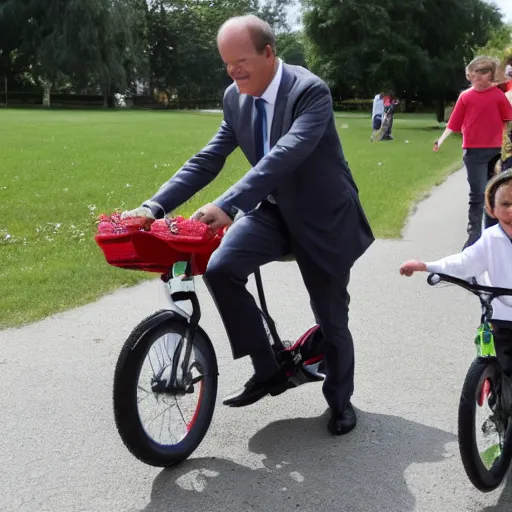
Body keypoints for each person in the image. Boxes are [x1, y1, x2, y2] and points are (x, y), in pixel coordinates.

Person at [121, 15, 375, 435]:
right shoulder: (234, 98)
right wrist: (154, 206)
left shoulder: (308, 92)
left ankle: (340, 401)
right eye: (226, 63)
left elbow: (286, 154)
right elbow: (208, 158)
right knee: (221, 267)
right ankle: (270, 368)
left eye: (241, 60)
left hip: (322, 217)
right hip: (274, 210)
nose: (233, 71)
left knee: (331, 319)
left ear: (269, 53)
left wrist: (229, 203)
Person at [399, 170, 512, 399]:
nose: (511, 209)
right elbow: (465, 262)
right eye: (505, 203)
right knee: (504, 366)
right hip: (502, 319)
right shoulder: (491, 239)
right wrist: (425, 266)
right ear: (492, 208)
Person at [433, 56, 512, 249]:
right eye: (474, 74)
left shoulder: (497, 96)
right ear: (469, 76)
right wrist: (440, 140)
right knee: (477, 194)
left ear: (491, 76)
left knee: (494, 192)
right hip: (473, 153)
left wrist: (502, 137)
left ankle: (494, 235)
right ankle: (474, 236)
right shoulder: (466, 97)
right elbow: (453, 123)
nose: (478, 78)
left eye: (483, 74)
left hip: (494, 151)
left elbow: (507, 118)